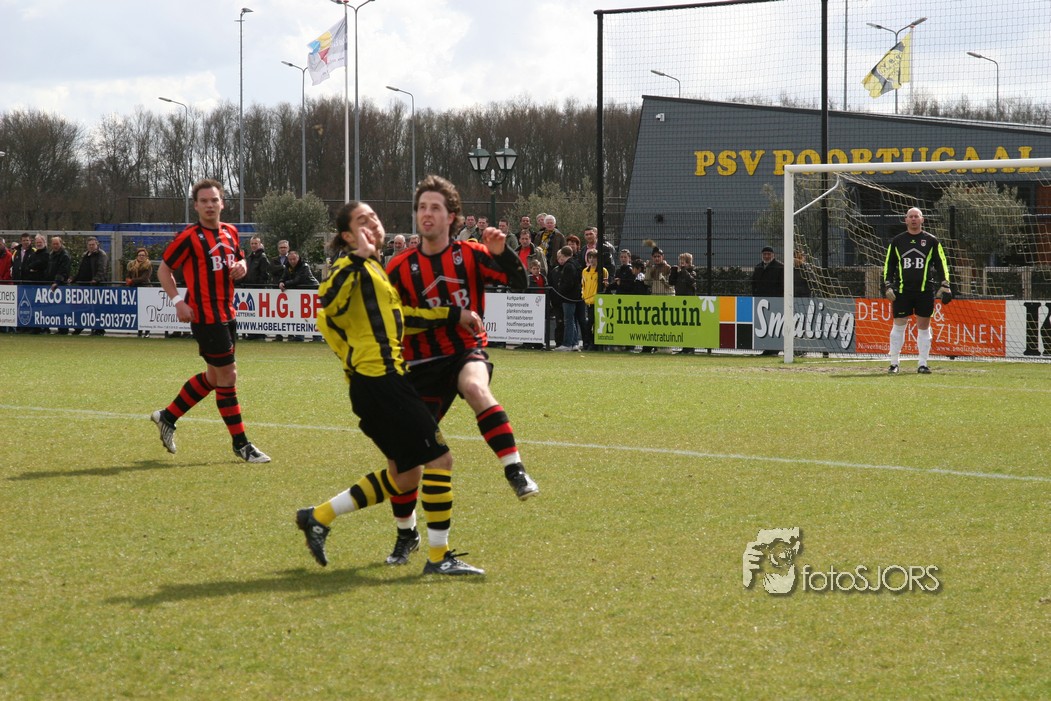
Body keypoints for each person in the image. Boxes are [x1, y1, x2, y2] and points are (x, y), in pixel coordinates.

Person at [296, 200, 485, 575]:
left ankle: (318, 516)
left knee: (406, 473)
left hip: (381, 382)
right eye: (362, 221)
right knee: (440, 460)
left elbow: (404, 318)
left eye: (374, 217)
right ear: (348, 236)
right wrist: (356, 258)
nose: (373, 223)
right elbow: (326, 301)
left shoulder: (373, 271)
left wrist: (454, 314)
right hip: (379, 381)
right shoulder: (351, 267)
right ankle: (438, 558)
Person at [383, 174, 537, 566]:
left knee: (475, 387)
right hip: (419, 364)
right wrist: (450, 315)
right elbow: (393, 319)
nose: (427, 213)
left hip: (466, 350)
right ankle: (406, 534)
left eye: (435, 207)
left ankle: (515, 470)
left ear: (451, 216)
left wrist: (504, 253)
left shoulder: (470, 253)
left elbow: (519, 282)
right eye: (422, 207)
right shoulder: (399, 266)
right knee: (403, 461)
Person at [149, 178, 270, 464]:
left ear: (222, 203)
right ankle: (241, 444)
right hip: (205, 317)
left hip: (228, 313)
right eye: (203, 201)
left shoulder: (230, 232)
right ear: (196, 206)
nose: (209, 205)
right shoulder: (189, 237)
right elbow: (164, 270)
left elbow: (239, 258)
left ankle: (167, 416)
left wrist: (241, 265)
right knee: (228, 376)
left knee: (215, 378)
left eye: (214, 200)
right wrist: (178, 301)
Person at [882, 207, 952, 374]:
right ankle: (894, 363)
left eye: (916, 216)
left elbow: (941, 263)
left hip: (925, 291)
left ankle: (922, 364)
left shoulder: (931, 241)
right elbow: (889, 264)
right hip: (902, 291)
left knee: (924, 326)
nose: (913, 219)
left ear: (922, 220)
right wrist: (887, 285)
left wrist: (945, 284)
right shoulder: (897, 241)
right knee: (899, 325)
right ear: (905, 220)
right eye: (910, 216)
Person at [71, 236, 110, 335]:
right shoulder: (85, 255)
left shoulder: (102, 255)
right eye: (89, 245)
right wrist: (74, 279)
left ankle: (99, 329)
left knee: (97, 308)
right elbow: (81, 270)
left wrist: (96, 279)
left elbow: (102, 269)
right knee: (81, 308)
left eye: (93, 244)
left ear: (97, 244)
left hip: (96, 286)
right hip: (84, 285)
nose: (91, 246)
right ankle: (79, 327)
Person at [752, 246, 783, 356]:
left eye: (768, 254)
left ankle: (775, 349)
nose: (766, 256)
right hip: (761, 302)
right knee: (764, 325)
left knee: (774, 326)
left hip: (775, 302)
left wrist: (779, 300)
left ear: (773, 255)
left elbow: (782, 286)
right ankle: (767, 348)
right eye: (764, 254)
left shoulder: (780, 267)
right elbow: (753, 284)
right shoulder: (758, 267)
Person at [554, 245, 585, 351]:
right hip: (577, 296)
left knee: (568, 321)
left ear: (563, 255)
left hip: (568, 297)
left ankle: (567, 344)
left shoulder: (568, 266)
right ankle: (574, 343)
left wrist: (560, 289)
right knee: (572, 320)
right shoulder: (576, 264)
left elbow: (568, 283)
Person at [581, 249, 609, 351]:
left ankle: (593, 344)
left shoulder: (603, 270)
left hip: (598, 301)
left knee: (593, 323)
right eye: (590, 257)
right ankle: (591, 343)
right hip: (588, 301)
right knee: (589, 324)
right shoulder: (585, 271)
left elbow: (605, 285)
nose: (592, 260)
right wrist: (583, 296)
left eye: (594, 258)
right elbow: (583, 285)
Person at [47, 236, 73, 334]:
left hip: (61, 285)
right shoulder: (51, 254)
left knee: (62, 308)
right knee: (54, 308)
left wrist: (57, 282)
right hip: (53, 283)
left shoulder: (64, 255)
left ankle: (63, 329)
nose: (55, 246)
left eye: (57, 244)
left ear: (61, 243)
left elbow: (63, 271)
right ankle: (60, 328)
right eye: (53, 244)